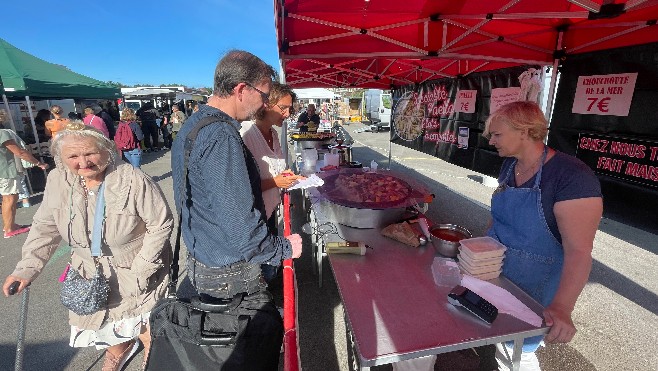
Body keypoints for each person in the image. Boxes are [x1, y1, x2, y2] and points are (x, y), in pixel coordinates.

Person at [2, 121, 173, 371]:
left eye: (90, 153)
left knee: (144, 325)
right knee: (104, 321)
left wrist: (143, 268)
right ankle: (119, 350)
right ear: (61, 158)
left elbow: (160, 223)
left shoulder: (133, 179)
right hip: (88, 269)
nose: (83, 162)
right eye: (73, 156)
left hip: (134, 264)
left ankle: (152, 357)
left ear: (108, 150)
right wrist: (26, 269)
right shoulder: (58, 179)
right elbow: (45, 226)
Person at [171, 50, 302, 367]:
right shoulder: (221, 134)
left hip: (206, 258)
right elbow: (244, 229)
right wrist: (284, 247)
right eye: (265, 95)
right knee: (245, 352)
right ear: (241, 89)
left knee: (224, 348)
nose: (265, 104)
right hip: (229, 272)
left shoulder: (196, 124)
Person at [484, 101, 602, 370]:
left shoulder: (572, 177)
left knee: (517, 352)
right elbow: (499, 216)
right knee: (499, 339)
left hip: (534, 285)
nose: (491, 141)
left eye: (497, 134)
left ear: (524, 132)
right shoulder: (510, 166)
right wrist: (479, 248)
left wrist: (563, 307)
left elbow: (579, 251)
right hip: (498, 274)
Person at [240, 81, 305, 282]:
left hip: (269, 211)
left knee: (269, 264)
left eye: (289, 109)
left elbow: (278, 172)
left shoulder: (274, 133)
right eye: (283, 108)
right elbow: (242, 186)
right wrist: (277, 182)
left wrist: (292, 178)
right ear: (267, 104)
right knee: (260, 269)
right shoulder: (247, 133)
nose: (287, 114)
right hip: (255, 216)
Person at [0, 120, 49, 238]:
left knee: (11, 198)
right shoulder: (2, 133)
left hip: (4, 171)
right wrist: (38, 163)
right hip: (6, 171)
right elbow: (20, 152)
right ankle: (9, 229)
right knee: (9, 199)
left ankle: (10, 224)